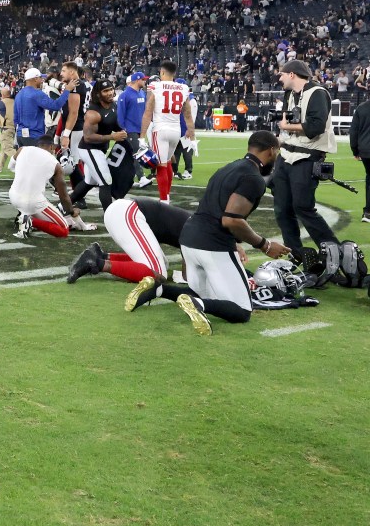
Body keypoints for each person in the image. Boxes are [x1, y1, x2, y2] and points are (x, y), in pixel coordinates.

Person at [125, 131, 290, 335]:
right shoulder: (253, 178)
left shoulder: (227, 168)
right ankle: (198, 305)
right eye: (277, 152)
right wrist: (264, 245)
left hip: (189, 237)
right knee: (242, 310)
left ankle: (157, 289)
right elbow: (230, 219)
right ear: (271, 150)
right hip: (212, 244)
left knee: (203, 291)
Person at [272, 59, 339, 255]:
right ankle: (296, 255)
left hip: (307, 156)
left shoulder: (317, 92)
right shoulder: (289, 94)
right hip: (286, 155)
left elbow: (316, 127)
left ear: (292, 74)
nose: (280, 78)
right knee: (282, 209)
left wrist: (286, 127)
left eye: (282, 74)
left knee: (303, 207)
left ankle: (335, 252)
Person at [68, 78, 130, 211]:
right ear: (98, 94)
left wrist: (124, 133)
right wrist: (112, 137)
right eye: (105, 91)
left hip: (99, 149)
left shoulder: (113, 105)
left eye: (111, 89)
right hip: (89, 149)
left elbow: (114, 124)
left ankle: (63, 206)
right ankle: (110, 216)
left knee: (89, 182)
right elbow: (88, 137)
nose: (109, 93)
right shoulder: (93, 113)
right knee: (105, 182)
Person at [140, 61, 194, 204]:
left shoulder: (155, 86)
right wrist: (193, 138)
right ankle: (167, 195)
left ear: (162, 72)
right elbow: (188, 115)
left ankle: (164, 200)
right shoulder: (183, 88)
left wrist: (141, 136)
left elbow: (147, 112)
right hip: (176, 130)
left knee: (161, 166)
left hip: (160, 129)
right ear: (174, 73)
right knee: (168, 162)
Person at [9, 146, 81, 239]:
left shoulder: (22, 149)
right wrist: (71, 211)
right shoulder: (55, 164)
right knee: (64, 230)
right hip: (33, 202)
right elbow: (63, 197)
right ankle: (29, 221)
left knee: (42, 208)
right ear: (51, 147)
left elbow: (11, 166)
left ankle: (25, 217)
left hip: (13, 197)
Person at [13, 67, 69, 149]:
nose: (42, 80)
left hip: (20, 135)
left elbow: (15, 119)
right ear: (35, 79)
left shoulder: (19, 94)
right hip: (34, 136)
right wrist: (67, 91)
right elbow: (56, 106)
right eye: (40, 78)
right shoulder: (37, 93)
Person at [117, 71, 147, 185]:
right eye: (143, 79)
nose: (145, 81)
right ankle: (142, 177)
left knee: (130, 155)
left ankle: (127, 178)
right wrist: (122, 128)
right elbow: (121, 113)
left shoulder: (142, 93)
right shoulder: (125, 95)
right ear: (137, 80)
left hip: (140, 129)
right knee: (137, 153)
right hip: (130, 129)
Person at [350, 96, 370, 223]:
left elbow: (354, 131)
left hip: (366, 150)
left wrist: (355, 150)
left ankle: (367, 212)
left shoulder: (361, 108)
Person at [172, 88, 199, 180]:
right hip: (178, 129)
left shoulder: (191, 100)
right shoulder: (183, 98)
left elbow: (192, 117)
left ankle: (188, 170)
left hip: (184, 129)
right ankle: (174, 171)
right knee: (176, 152)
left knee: (186, 151)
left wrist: (189, 130)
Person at [0, 85, 16, 173]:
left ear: (2, 95)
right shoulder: (14, 101)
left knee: (8, 148)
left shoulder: (2, 102)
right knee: (4, 148)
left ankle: (22, 160)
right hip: (14, 127)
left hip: (6, 128)